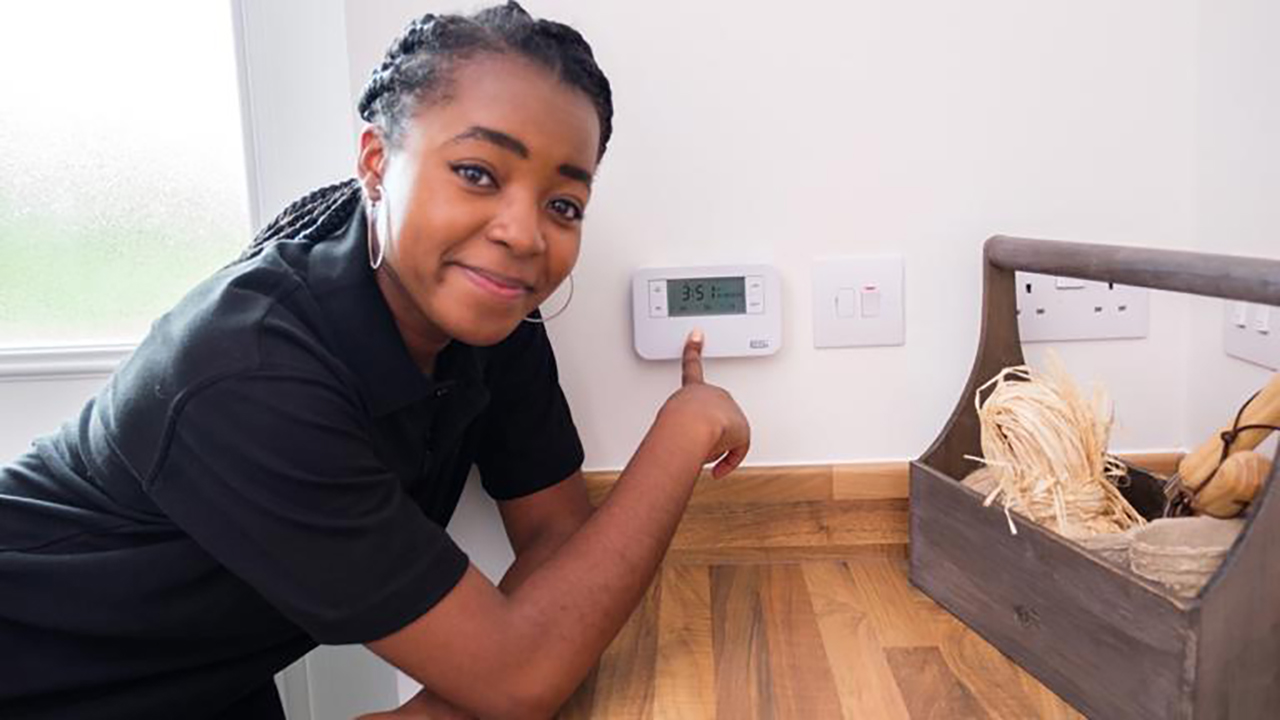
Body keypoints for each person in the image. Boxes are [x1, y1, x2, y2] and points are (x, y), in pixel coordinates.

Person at [0, 3, 749, 719]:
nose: (523, 233)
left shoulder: (489, 312)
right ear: (376, 161)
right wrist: (685, 429)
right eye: (478, 173)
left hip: (196, 682)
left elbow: (557, 541)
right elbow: (523, 674)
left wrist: (442, 708)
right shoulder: (250, 370)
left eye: (563, 204)